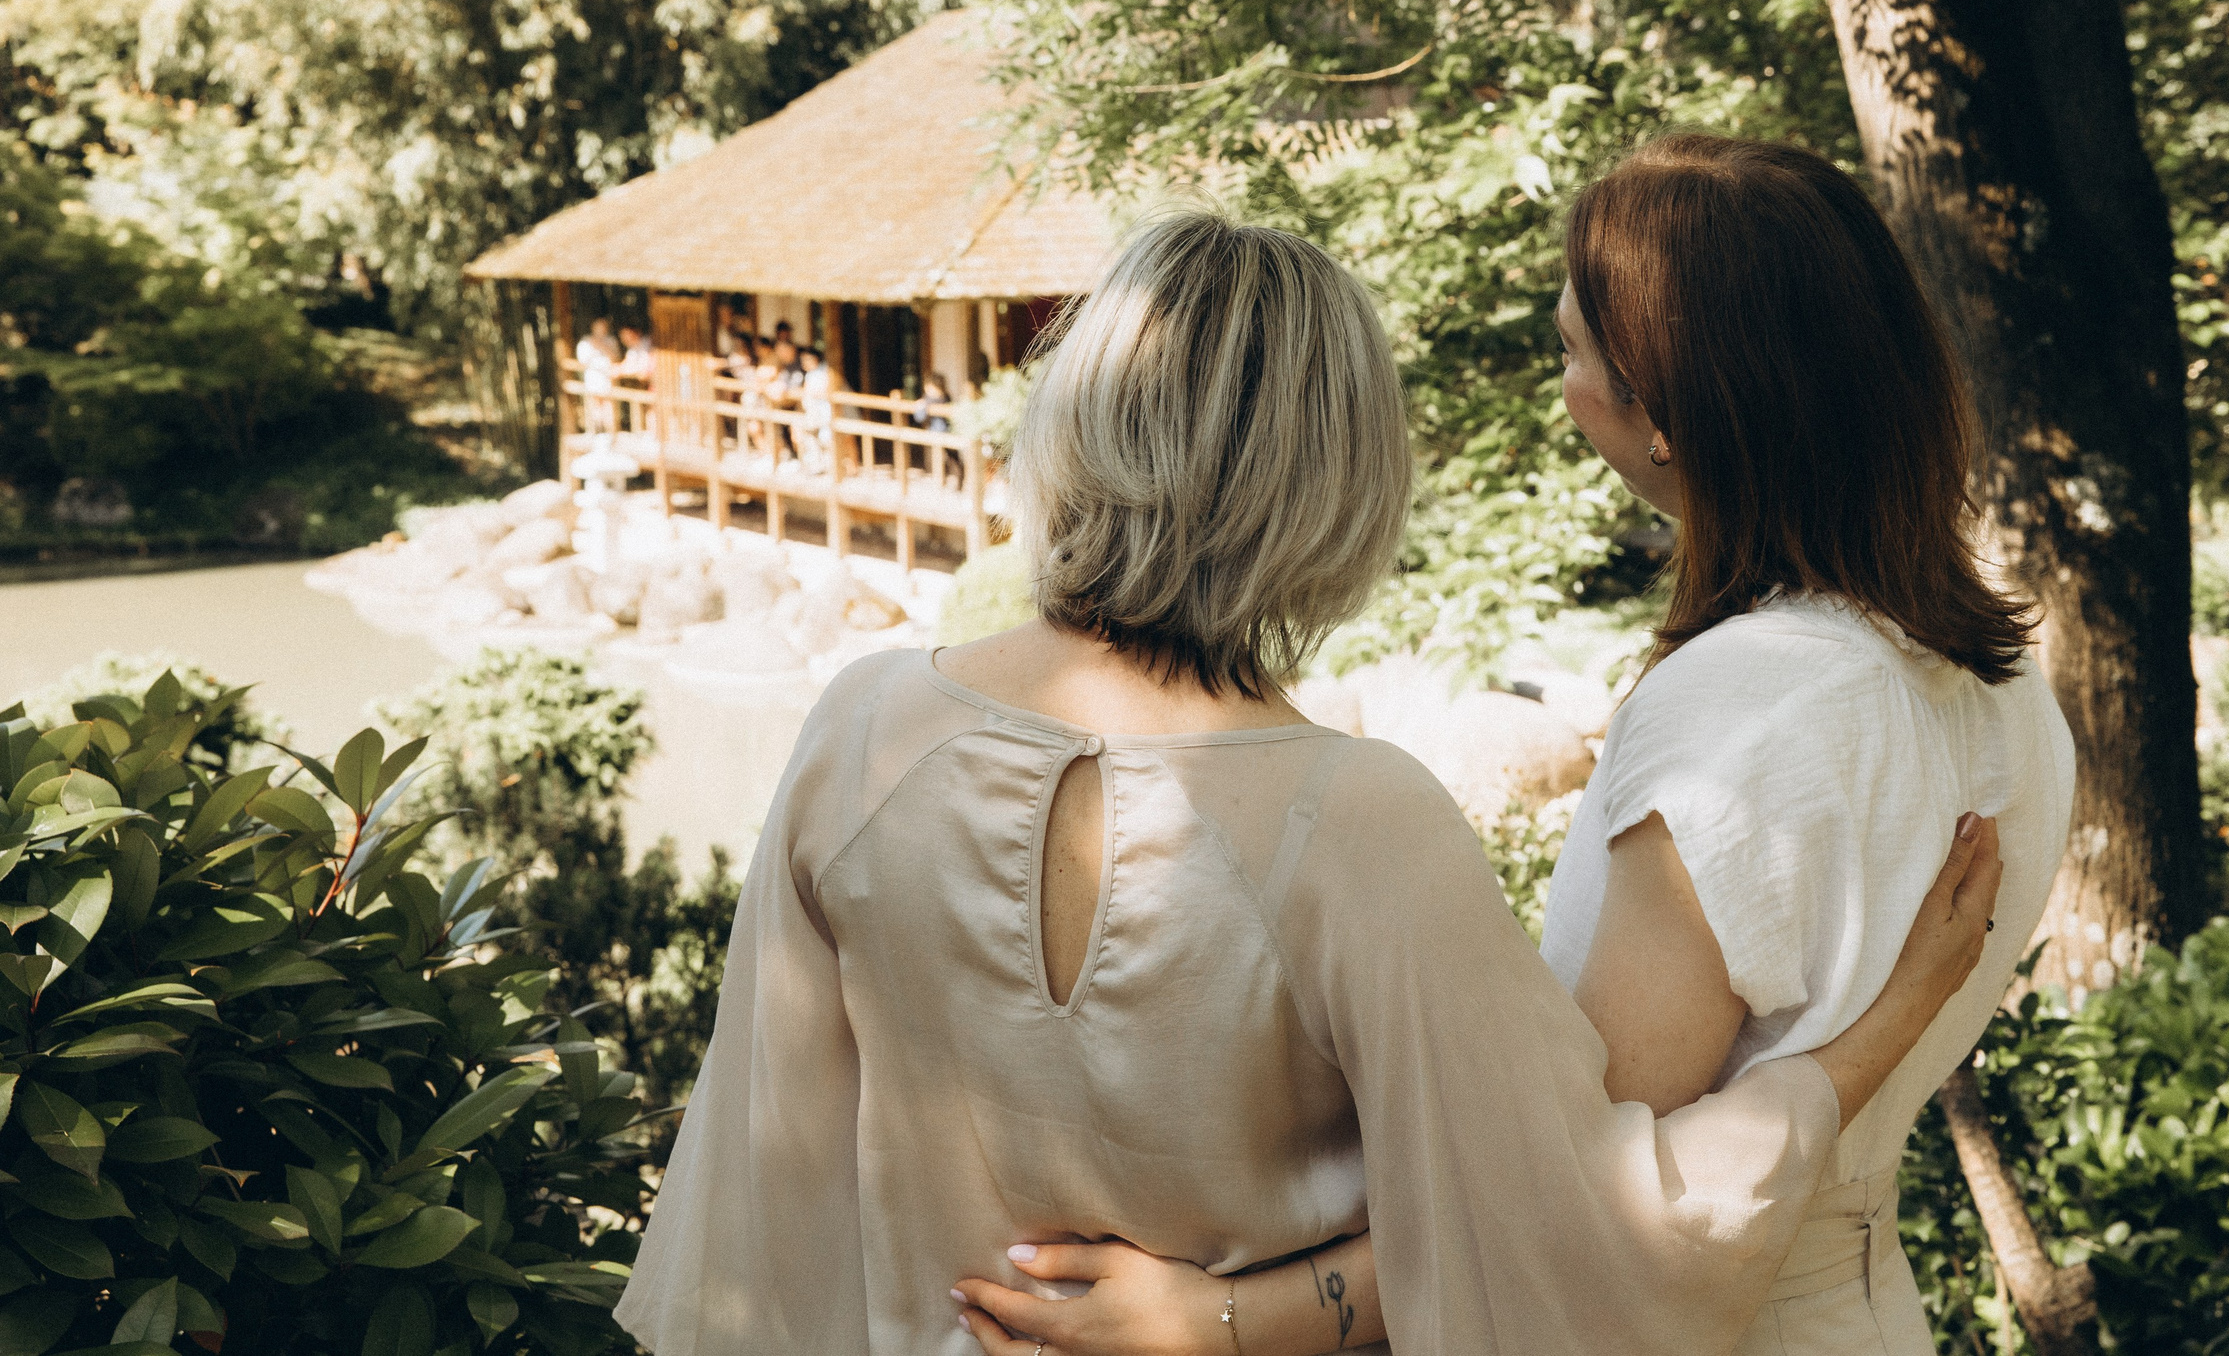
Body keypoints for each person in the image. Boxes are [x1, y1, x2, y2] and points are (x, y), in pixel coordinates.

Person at [614, 212, 2004, 1356]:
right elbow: (1577, 1240)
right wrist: (1872, 1036)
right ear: (1340, 482)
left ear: (1074, 420)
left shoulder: (861, 729)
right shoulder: (1361, 824)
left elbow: (761, 1209)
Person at [953, 137, 2073, 1356]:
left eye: (1572, 352)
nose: (1561, 388)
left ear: (1665, 414)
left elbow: (1573, 1219)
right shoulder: (2003, 687)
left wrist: (1219, 1319)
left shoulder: (1737, 707)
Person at [574, 317, 620, 437]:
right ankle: (597, 431)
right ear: (593, 327)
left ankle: (611, 431)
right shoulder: (585, 341)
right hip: (593, 376)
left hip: (607, 376)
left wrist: (602, 346)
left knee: (608, 404)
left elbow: (615, 357)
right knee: (594, 404)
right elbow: (582, 360)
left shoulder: (611, 340)